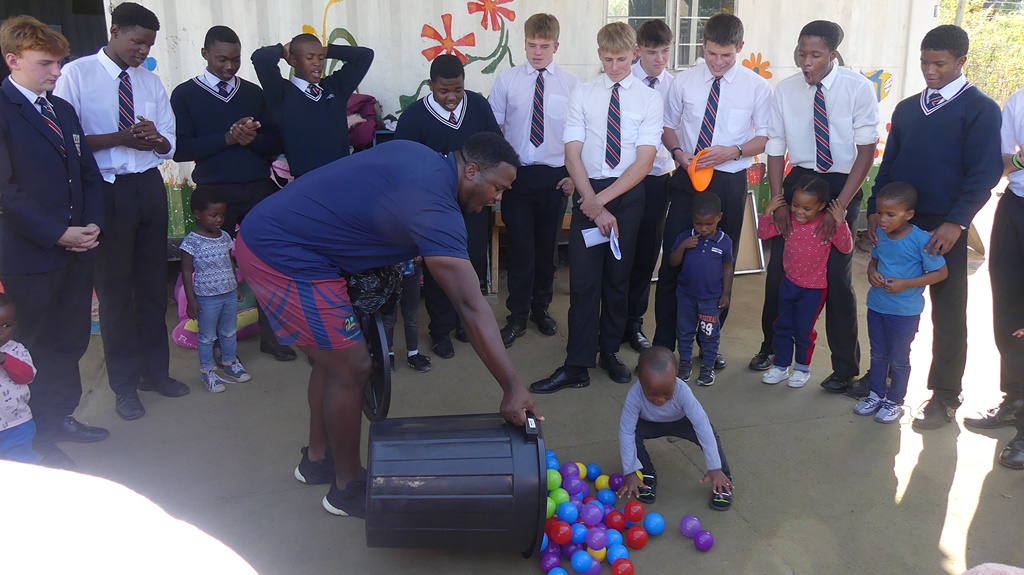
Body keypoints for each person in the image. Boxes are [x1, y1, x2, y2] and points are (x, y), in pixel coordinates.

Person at [234, 133, 539, 518]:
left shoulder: (418, 153)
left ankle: (317, 460)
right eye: (498, 187)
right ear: (473, 171)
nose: (497, 198)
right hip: (282, 254)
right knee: (352, 366)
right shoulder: (435, 207)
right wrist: (513, 387)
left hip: (291, 241)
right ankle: (346, 488)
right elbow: (469, 304)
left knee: (334, 360)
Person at [54, 2, 187, 422]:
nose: (141, 50)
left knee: (151, 288)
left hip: (148, 188)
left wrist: (152, 140)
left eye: (148, 44)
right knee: (115, 294)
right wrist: (122, 138)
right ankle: (124, 387)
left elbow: (171, 143)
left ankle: (156, 374)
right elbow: (64, 140)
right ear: (114, 31)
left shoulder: (149, 80)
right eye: (136, 42)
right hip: (104, 191)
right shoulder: (76, 75)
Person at [868, 24, 1002, 429]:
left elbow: (983, 174)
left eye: (939, 63)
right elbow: (888, 164)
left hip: (944, 229)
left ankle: (944, 395)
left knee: (947, 312)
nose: (930, 70)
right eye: (925, 62)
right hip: (898, 226)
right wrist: (877, 210)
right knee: (887, 301)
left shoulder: (981, 109)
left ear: (961, 62)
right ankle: (881, 381)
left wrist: (957, 223)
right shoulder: (908, 109)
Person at [530, 22, 663, 393]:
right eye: (608, 59)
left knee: (618, 280)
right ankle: (576, 363)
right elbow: (572, 151)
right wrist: (591, 200)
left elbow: (646, 159)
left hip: (627, 194)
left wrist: (600, 203)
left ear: (634, 53)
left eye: (621, 59)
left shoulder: (649, 98)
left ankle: (609, 352)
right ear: (599, 54)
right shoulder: (584, 93)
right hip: (590, 188)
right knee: (585, 281)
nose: (615, 66)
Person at [750, 21, 880, 399]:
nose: (806, 62)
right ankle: (771, 350)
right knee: (780, 272)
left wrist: (838, 208)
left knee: (836, 279)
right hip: (799, 182)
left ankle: (844, 368)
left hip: (842, 185)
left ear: (832, 54)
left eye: (815, 55)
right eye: (801, 54)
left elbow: (866, 152)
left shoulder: (857, 89)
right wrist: (778, 202)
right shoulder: (786, 90)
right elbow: (775, 146)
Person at [0, 15, 108, 466]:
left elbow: (87, 175)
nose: (57, 72)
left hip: (74, 249)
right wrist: (57, 233)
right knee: (32, 346)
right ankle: (32, 433)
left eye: (59, 63)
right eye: (46, 63)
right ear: (13, 60)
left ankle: (60, 417)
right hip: (30, 255)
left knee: (71, 340)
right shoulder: (4, 110)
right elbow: (6, 191)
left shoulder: (60, 109)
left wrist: (91, 225)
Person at [170, 25, 295, 363]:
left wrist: (251, 137)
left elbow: (275, 143)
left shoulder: (253, 93)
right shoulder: (185, 94)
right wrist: (228, 138)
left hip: (257, 190)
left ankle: (273, 338)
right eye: (221, 59)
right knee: (213, 271)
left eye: (235, 59)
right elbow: (179, 149)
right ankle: (211, 337)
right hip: (213, 194)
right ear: (205, 54)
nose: (228, 66)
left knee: (268, 264)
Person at [655, 13, 771, 369]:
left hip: (728, 181)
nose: (718, 62)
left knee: (720, 263)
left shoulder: (756, 87)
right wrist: (678, 153)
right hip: (688, 177)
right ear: (703, 46)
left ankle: (709, 344)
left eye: (726, 55)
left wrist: (734, 151)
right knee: (675, 256)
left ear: (740, 47)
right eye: (711, 54)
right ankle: (663, 345)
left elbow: (764, 137)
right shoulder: (684, 82)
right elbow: (667, 126)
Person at [395, 54, 502, 359]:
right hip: (435, 209)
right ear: (431, 86)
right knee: (441, 269)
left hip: (474, 205)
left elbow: (495, 147)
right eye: (444, 91)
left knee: (472, 263)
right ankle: (440, 330)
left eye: (458, 89)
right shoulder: (414, 117)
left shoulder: (479, 106)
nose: (452, 97)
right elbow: (405, 169)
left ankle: (465, 324)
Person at [488, 13, 577, 348]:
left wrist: (571, 174)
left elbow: (577, 135)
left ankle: (541, 309)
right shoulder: (507, 81)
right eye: (531, 45)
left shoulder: (570, 85)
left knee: (546, 251)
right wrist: (496, 179)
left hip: (555, 178)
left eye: (544, 46)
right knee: (521, 250)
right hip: (517, 177)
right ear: (523, 43)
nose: (537, 52)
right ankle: (517, 316)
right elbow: (494, 131)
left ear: (556, 46)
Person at [854, 183, 947, 424]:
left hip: (904, 313)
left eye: (890, 215)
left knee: (898, 358)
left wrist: (906, 283)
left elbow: (940, 273)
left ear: (909, 215)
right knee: (877, 354)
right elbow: (875, 261)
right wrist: (871, 272)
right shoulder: (880, 235)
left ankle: (895, 401)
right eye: (880, 212)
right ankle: (875, 394)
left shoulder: (921, 240)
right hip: (877, 306)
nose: (882, 220)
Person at [757, 176, 852, 388]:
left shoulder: (826, 227)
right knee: (782, 325)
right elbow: (763, 234)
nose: (799, 212)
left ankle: (802, 368)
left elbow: (846, 247)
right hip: (789, 284)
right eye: (795, 205)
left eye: (807, 208)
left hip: (814, 290)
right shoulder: (788, 222)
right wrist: (767, 212)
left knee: (803, 330)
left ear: (821, 206)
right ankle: (781, 366)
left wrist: (840, 221)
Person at [972, 86, 1024, 468]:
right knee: (1008, 310)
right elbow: (1002, 162)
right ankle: (1014, 400)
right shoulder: (1019, 100)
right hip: (1015, 207)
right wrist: (1019, 161)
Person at [616, 347, 733, 511]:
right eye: (652, 394)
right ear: (640, 381)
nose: (660, 400)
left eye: (667, 393)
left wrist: (714, 467)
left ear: (676, 376)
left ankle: (722, 478)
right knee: (633, 435)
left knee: (710, 433)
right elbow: (626, 432)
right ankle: (645, 474)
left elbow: (702, 426)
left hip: (681, 422)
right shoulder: (634, 395)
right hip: (649, 424)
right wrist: (629, 472)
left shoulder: (683, 391)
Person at [251, 33, 373, 178]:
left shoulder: (335, 88)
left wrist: (324, 50)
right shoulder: (281, 93)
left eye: (320, 58)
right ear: (294, 60)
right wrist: (283, 51)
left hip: (341, 178)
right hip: (305, 182)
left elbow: (365, 55)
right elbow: (261, 58)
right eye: (309, 57)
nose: (317, 62)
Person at [623, 19, 675, 353]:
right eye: (653, 52)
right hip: (625, 179)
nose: (659, 59)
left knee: (645, 256)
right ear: (638, 50)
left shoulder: (676, 85)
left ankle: (634, 324)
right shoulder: (621, 79)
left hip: (659, 179)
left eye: (665, 51)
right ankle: (610, 323)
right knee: (619, 255)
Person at [179, 188, 250, 393]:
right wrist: (192, 301)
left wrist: (235, 286)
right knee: (207, 337)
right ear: (197, 213)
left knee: (229, 332)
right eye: (213, 215)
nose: (218, 220)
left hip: (228, 294)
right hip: (206, 299)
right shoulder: (192, 241)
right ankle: (208, 372)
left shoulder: (225, 236)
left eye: (222, 215)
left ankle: (230, 364)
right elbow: (186, 272)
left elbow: (229, 261)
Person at [667, 193, 733, 387]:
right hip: (686, 295)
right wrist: (682, 247)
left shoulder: (724, 241)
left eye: (709, 224)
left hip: (711, 299)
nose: (703, 229)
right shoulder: (685, 237)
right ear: (692, 218)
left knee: (709, 334)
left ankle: (707, 367)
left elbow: (728, 267)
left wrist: (725, 294)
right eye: (698, 224)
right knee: (685, 331)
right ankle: (685, 363)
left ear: (719, 218)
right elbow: (673, 262)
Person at [0, 295, 38, 464]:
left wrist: (5, 360)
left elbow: (27, 376)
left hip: (16, 425)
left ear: (15, 326)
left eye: (6, 326)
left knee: (21, 465)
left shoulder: (16, 350)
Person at [382, 257, 431, 372]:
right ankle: (388, 355)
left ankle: (413, 353)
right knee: (388, 317)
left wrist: (420, 253)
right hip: (388, 270)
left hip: (411, 270)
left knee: (412, 316)